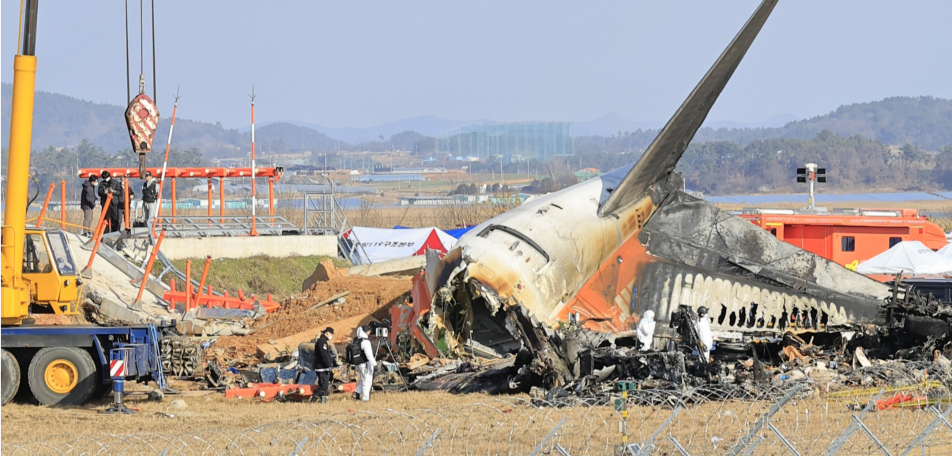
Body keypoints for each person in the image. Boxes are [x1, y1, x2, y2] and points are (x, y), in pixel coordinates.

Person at [313, 327, 338, 404]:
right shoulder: (322, 342)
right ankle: (313, 400)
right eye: (331, 334)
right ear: (327, 333)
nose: (331, 336)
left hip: (322, 367)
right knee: (323, 386)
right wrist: (329, 365)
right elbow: (324, 355)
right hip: (322, 368)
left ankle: (322, 402)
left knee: (324, 386)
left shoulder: (322, 341)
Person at [354, 326, 377, 402]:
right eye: (368, 331)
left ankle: (356, 393)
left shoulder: (357, 340)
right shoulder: (366, 342)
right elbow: (369, 355)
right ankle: (365, 399)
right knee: (367, 381)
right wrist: (374, 364)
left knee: (364, 379)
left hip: (359, 364)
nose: (369, 332)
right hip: (366, 364)